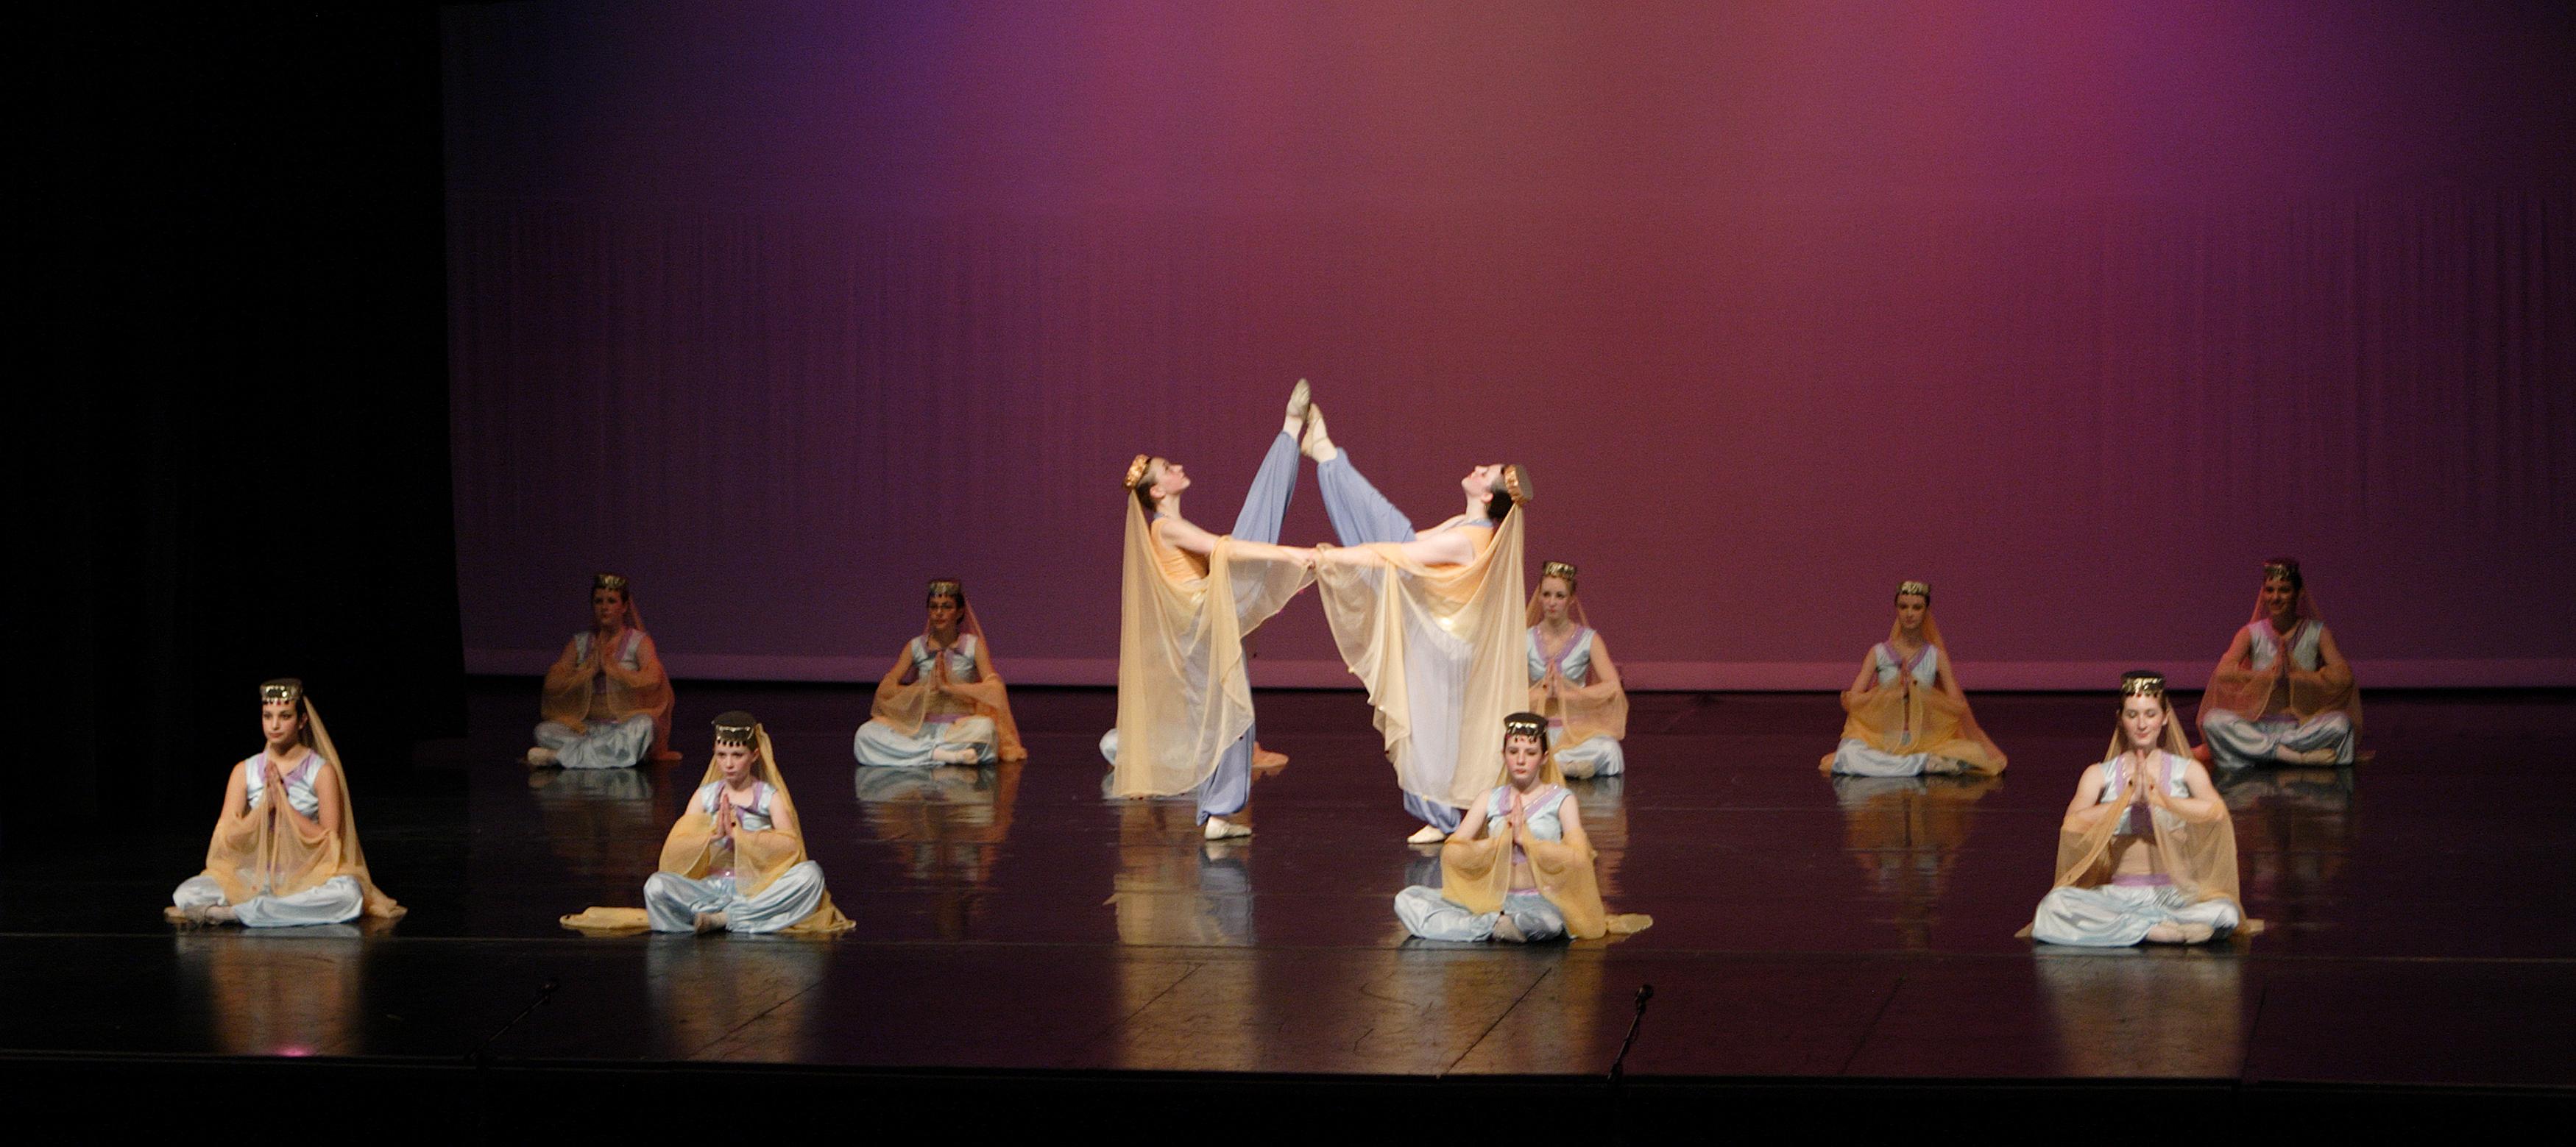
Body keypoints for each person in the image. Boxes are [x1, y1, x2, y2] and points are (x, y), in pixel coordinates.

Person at [1303, 402, 1530, 843]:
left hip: (1442, 644)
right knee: (1427, 732)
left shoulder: (1470, 538)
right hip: (1434, 636)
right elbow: (1397, 542)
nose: (1478, 468)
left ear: (1488, 496)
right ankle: (1328, 457)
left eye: (1485, 472)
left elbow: (1400, 553)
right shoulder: (1462, 523)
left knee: (1427, 733)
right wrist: (1341, 557)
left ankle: (1440, 815)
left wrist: (1331, 558)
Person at [1102, 382, 1319, 841]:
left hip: (1208, 622)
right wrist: (1292, 557)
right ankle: (1289, 429)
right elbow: (1224, 549)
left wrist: (1278, 570)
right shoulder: (1164, 527)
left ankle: (1220, 813)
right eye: (1169, 469)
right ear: (1158, 490)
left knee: (1235, 717)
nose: (1179, 468)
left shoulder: (1172, 523)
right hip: (1201, 625)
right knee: (1252, 534)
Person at [562, 712, 853, 935]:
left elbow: (790, 846)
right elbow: (676, 848)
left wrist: (743, 837)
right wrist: (710, 837)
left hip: (756, 888)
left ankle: (727, 919)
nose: (729, 764)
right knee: (656, 886)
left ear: (754, 755)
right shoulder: (705, 796)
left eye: (737, 755)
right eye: (722, 755)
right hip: (711, 889)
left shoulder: (768, 796)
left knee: (810, 875)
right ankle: (725, 918)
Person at [2026, 672, 2260, 947]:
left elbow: (2216, 812)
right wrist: (2126, 801)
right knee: (2053, 906)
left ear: (2165, 718)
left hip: (2176, 896)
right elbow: (2073, 822)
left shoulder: (2187, 771)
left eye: (2150, 714)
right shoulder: (2099, 774)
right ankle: (2156, 931)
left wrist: (2158, 799)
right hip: (2120, 897)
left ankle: (2144, 928)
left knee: (2226, 911)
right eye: (2132, 715)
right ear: (2120, 718)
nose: (2142, 724)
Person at [1393, 713, 1651, 942]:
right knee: (1407, 900)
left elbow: (1578, 858)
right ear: (1503, 755)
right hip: (1492, 897)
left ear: (1544, 758)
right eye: (1513, 751)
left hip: (1539, 899)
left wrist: (1526, 840)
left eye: (1530, 753)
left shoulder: (1561, 800)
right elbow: (1453, 852)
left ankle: (1487, 926)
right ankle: (1493, 925)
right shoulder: (1489, 798)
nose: (1520, 760)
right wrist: (1498, 843)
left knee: (1549, 925)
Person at [169, 679, 403, 927]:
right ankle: (265, 909)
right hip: (256, 877)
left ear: (302, 721)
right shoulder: (244, 771)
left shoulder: (320, 771)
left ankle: (238, 913)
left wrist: (284, 808)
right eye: (267, 716)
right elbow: (227, 838)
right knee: (186, 893)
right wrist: (264, 808)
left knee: (348, 895)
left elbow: (329, 840)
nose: (275, 725)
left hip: (308, 876)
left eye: (285, 716)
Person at [1822, 580, 2006, 777]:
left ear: (1926, 611)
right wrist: (1893, 694)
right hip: (1882, 736)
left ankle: (1908, 763)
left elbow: (1956, 705)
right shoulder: (1878, 653)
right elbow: (1853, 700)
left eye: (1917, 608)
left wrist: (1920, 694)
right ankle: (1920, 764)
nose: (1909, 613)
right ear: (1896, 609)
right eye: (1904, 607)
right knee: (1849, 754)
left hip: (1925, 738)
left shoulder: (1936, 656)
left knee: (1973, 753)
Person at [2198, 558, 2360, 767]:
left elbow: (2343, 677)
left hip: (2301, 727)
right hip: (2258, 725)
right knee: (2213, 721)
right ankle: (2294, 756)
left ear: (2299, 593)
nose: (2275, 597)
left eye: (2284, 590)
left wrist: (2296, 676)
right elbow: (2223, 673)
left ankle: (2260, 751)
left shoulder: (2317, 632)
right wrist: (2267, 676)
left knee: (2341, 725)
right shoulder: (2250, 633)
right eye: (2270, 590)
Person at [856, 578, 1027, 767]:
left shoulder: (973, 646)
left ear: (959, 612)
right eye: (934, 607)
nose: (939, 612)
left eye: (946, 607)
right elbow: (886, 689)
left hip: (960, 728)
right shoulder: (916, 647)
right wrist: (922, 691)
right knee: (865, 734)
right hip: (922, 727)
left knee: (986, 730)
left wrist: (951, 688)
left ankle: (921, 754)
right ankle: (943, 755)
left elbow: (995, 688)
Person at [528, 572, 677, 769]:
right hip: (586, 728)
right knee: (544, 731)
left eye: (611, 601)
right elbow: (553, 683)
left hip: (622, 726)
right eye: (599, 601)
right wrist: (588, 672)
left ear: (624, 607)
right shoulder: (580, 643)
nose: (604, 607)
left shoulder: (639, 642)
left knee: (644, 726)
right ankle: (606, 752)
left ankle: (558, 757)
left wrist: (614, 671)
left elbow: (654, 679)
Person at [1526, 561, 1628, 778]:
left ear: (1571, 599)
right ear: (1539, 597)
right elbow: (1505, 691)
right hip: (1535, 731)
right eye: (1546, 595)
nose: (1552, 602)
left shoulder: (1588, 639)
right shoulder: (1525, 639)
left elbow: (1612, 687)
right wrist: (1543, 694)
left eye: (1560, 596)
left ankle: (1551, 767)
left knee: (1609, 750)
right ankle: (1557, 766)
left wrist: (1566, 695)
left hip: (1576, 731)